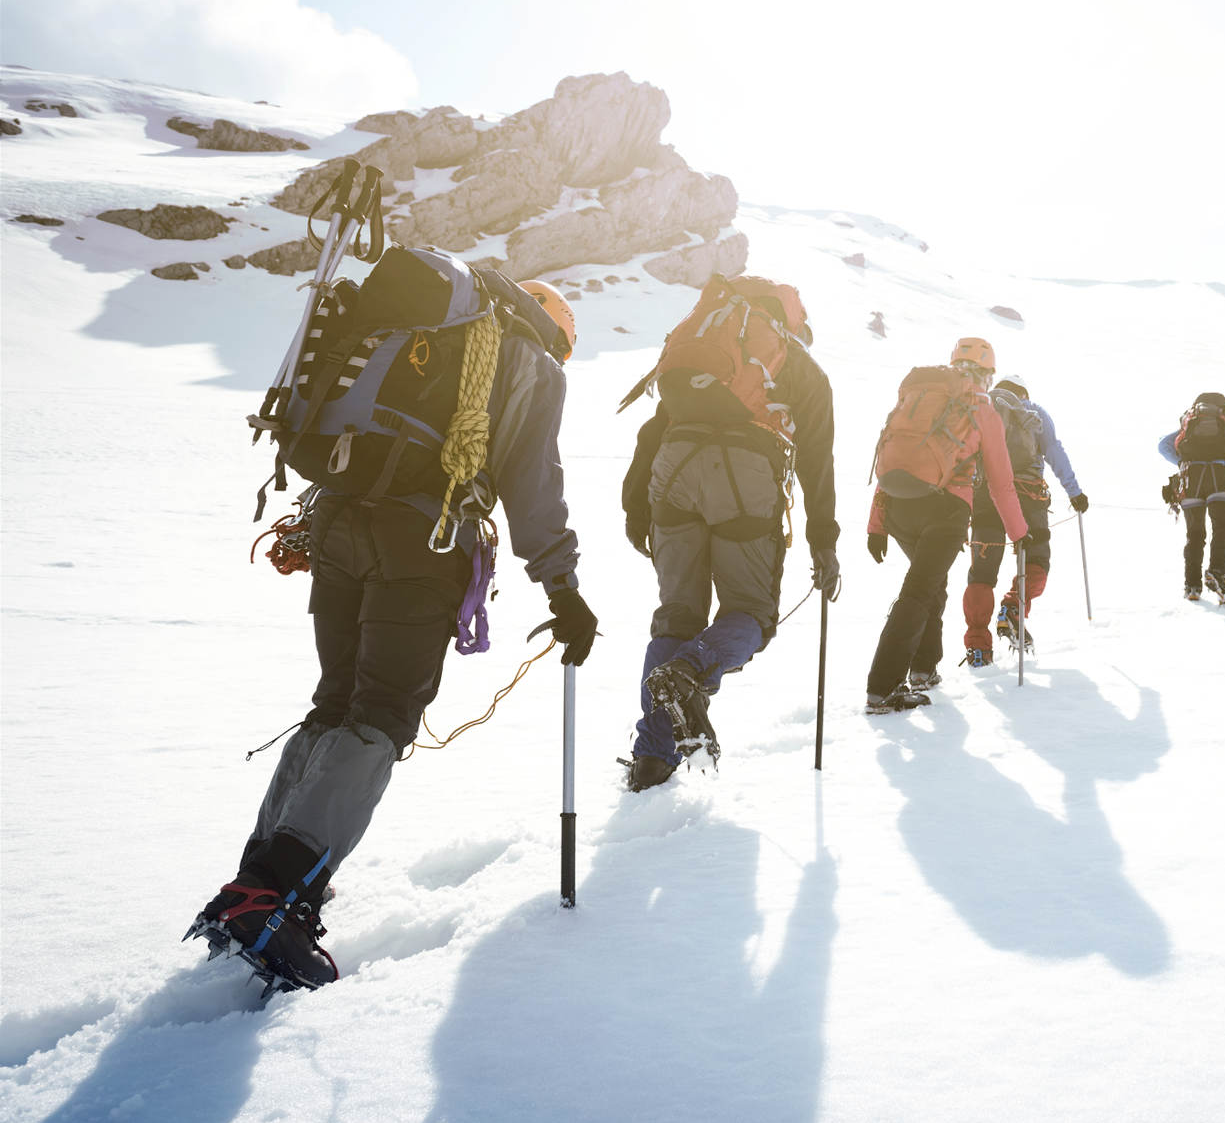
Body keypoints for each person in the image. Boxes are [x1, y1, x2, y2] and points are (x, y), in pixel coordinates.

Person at [188, 277, 596, 990]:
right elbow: (531, 482)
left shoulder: (431, 334)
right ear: (557, 331)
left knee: (335, 703)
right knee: (379, 714)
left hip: (340, 518)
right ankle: (276, 895)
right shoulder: (529, 357)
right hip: (422, 537)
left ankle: (255, 884)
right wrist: (563, 589)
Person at [620, 276, 838, 791]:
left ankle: (652, 758)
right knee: (751, 612)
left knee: (677, 614)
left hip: (673, 470)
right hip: (746, 476)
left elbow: (653, 432)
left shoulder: (704, 354)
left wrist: (636, 509)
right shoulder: (797, 365)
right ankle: (691, 670)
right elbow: (817, 460)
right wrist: (823, 541)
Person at [865, 338, 1029, 711]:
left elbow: (894, 459)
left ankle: (924, 669)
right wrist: (1020, 534)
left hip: (899, 507)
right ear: (987, 375)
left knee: (931, 586)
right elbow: (1001, 484)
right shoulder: (982, 408)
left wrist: (877, 525)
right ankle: (882, 688)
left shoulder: (919, 398)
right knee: (919, 591)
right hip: (946, 510)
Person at [961, 374, 1086, 665]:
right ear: (1023, 393)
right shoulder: (1033, 411)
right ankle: (1014, 607)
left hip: (986, 497)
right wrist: (1075, 492)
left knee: (982, 573)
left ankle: (978, 648)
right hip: (1028, 497)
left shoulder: (981, 410)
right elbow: (1054, 451)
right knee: (1036, 559)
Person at [1158, 392, 1225, 603]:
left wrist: (1183, 461)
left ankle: (1192, 586)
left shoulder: (1188, 429)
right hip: (1222, 479)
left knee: (1194, 535)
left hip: (1191, 480)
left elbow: (1163, 446)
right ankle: (1216, 573)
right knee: (1222, 531)